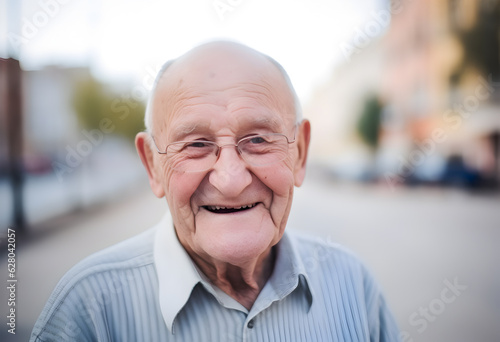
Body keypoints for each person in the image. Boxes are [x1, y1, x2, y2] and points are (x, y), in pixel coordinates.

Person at [31, 41, 401, 341]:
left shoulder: (354, 286)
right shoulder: (88, 310)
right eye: (195, 144)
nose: (230, 179)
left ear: (299, 153)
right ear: (153, 166)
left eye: (257, 139)